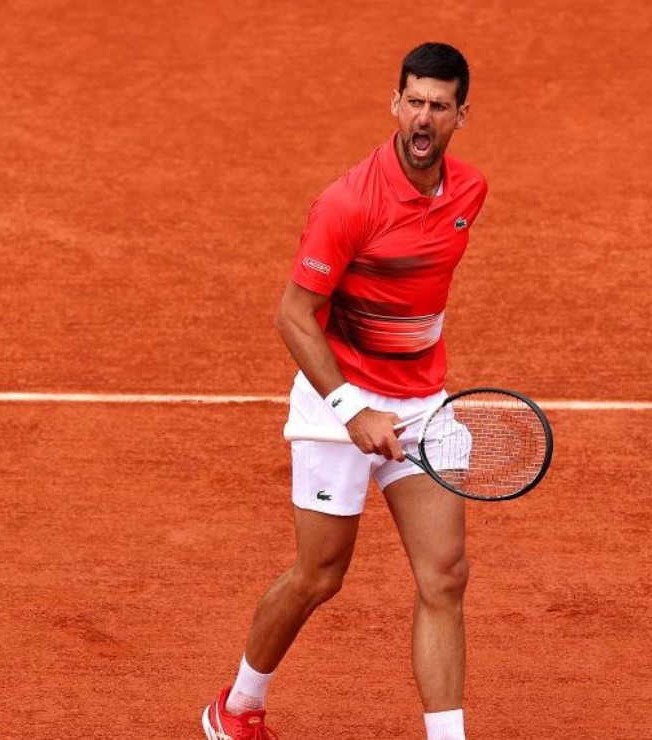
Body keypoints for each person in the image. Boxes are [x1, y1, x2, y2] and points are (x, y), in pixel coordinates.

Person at [202, 42, 486, 740]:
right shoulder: (347, 202)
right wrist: (352, 408)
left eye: (438, 106)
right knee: (320, 575)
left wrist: (402, 392)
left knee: (444, 576)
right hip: (339, 404)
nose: (423, 118)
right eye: (413, 102)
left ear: (460, 115)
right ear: (394, 104)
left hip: (420, 406)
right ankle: (236, 707)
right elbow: (293, 316)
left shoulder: (470, 192)